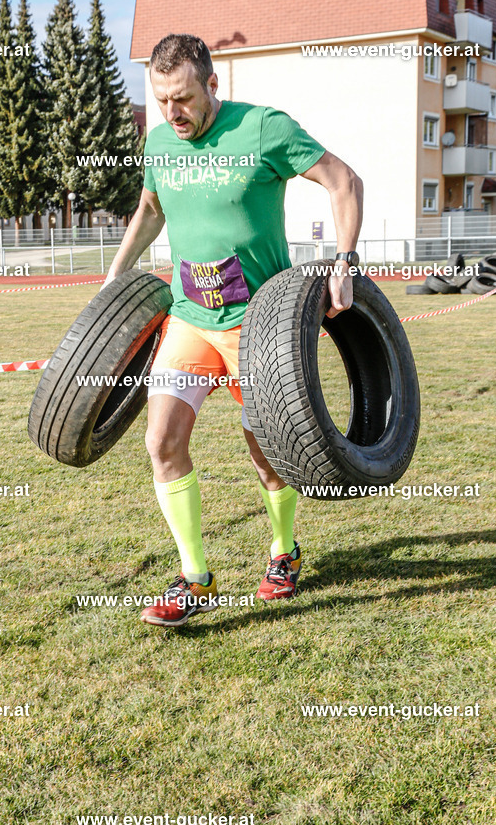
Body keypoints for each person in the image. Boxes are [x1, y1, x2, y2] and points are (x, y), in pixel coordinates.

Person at [103, 34, 363, 627]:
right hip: (191, 318)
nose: (174, 113)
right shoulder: (160, 141)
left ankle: (283, 550)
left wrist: (344, 260)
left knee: (268, 456)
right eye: (163, 100)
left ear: (212, 86)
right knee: (161, 443)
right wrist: (115, 276)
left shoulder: (264, 128)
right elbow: (150, 209)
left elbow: (344, 181)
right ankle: (195, 577)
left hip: (259, 324)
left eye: (185, 99)